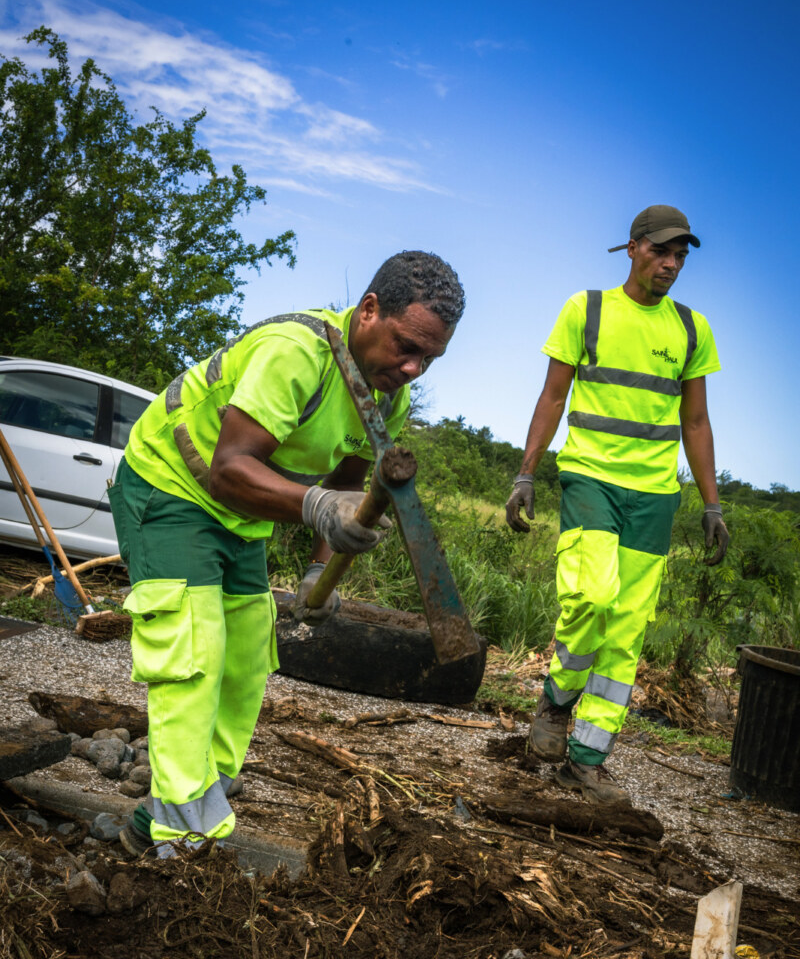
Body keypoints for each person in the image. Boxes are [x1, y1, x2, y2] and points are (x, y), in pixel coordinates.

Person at [112, 250, 465, 855]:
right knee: (193, 652)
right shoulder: (295, 352)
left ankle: (194, 798)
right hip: (174, 485)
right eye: (406, 346)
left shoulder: (386, 397)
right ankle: (180, 840)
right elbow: (230, 468)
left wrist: (319, 569)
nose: (413, 368)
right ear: (369, 311)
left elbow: (348, 486)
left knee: (248, 654)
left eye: (429, 358)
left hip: (243, 513)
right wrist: (318, 508)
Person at [506, 206, 728, 803]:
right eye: (661, 251)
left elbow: (696, 421)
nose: (671, 264)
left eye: (680, 256)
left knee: (627, 629)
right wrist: (526, 473)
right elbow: (552, 397)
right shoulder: (586, 310)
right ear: (632, 248)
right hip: (591, 479)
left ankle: (586, 760)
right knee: (593, 597)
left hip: (655, 496)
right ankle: (555, 703)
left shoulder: (692, 329)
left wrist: (712, 505)